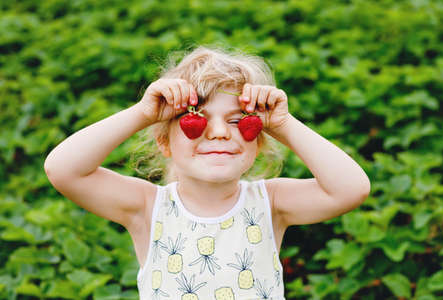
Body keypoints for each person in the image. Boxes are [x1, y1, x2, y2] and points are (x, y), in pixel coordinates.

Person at [44, 45, 370, 300]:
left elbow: (351, 189)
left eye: (235, 120)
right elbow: (64, 169)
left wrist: (283, 124)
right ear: (164, 142)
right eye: (198, 118)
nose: (218, 132)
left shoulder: (270, 202)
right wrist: (144, 113)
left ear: (258, 140)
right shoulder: (147, 207)